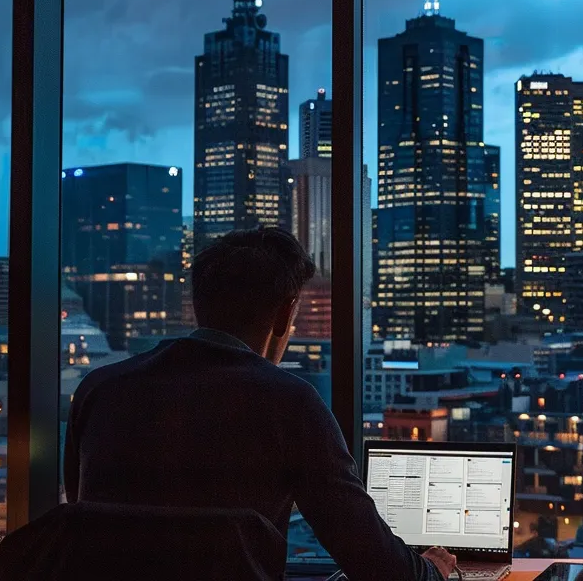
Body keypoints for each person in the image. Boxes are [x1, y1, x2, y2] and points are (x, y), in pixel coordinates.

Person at [66, 227, 455, 581]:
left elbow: (83, 518)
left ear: (199, 303)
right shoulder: (289, 402)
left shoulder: (99, 389)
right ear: (286, 313)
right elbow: (371, 560)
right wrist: (432, 572)